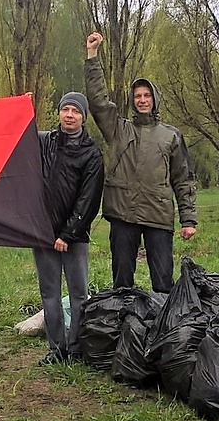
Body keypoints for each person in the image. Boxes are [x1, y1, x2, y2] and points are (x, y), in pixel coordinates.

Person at [84, 31, 198, 294]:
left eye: (147, 95)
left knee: (163, 285)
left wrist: (188, 219)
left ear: (154, 99)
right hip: (123, 216)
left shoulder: (171, 135)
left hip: (158, 218)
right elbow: (98, 102)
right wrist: (92, 57)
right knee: (122, 284)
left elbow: (183, 179)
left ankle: (164, 332)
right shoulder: (119, 129)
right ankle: (124, 329)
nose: (142, 100)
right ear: (132, 101)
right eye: (138, 96)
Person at [34, 92, 104, 365]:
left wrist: (68, 234)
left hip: (74, 237)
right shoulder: (45, 142)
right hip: (42, 234)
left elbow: (89, 200)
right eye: (66, 110)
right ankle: (56, 349)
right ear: (59, 113)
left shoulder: (91, 154)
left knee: (78, 293)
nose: (70, 115)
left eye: (76, 111)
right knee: (49, 293)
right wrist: (25, 106)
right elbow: (18, 134)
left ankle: (76, 348)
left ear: (83, 118)